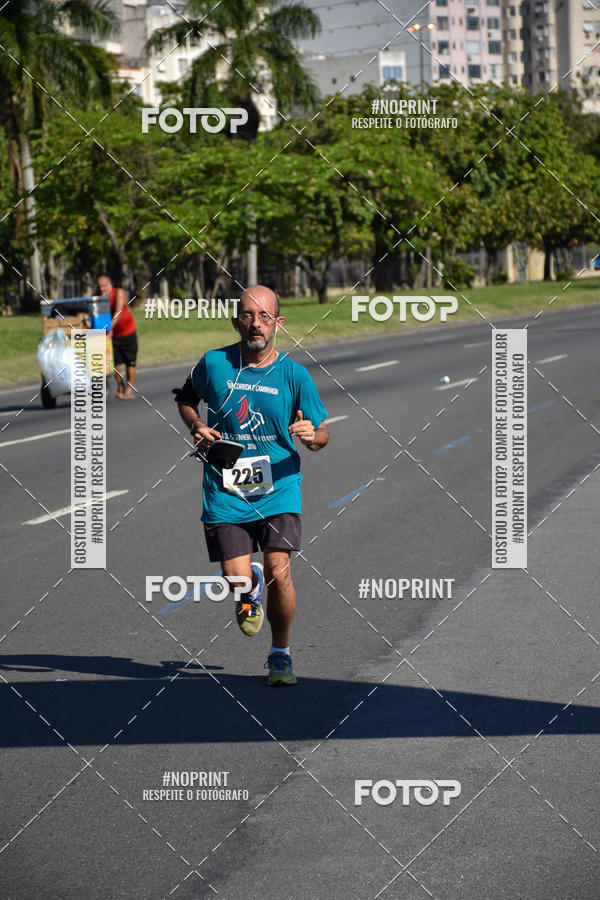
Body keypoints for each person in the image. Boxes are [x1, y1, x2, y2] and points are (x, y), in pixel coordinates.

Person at [173, 285, 329, 685]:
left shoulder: (295, 374)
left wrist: (312, 437)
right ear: (236, 321)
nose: (255, 324)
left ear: (278, 323)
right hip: (226, 487)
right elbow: (186, 399)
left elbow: (321, 433)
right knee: (237, 578)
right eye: (247, 315)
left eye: (264, 316)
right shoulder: (214, 363)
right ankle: (248, 588)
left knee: (280, 568)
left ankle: (280, 654)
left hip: (279, 485)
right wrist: (197, 425)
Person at [97, 274, 138, 399]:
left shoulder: (118, 293)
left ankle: (129, 390)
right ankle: (120, 385)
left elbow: (118, 312)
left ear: (110, 285)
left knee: (130, 362)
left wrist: (109, 328)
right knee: (113, 362)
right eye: (100, 287)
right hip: (112, 335)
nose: (102, 289)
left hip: (127, 332)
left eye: (104, 286)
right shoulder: (99, 297)